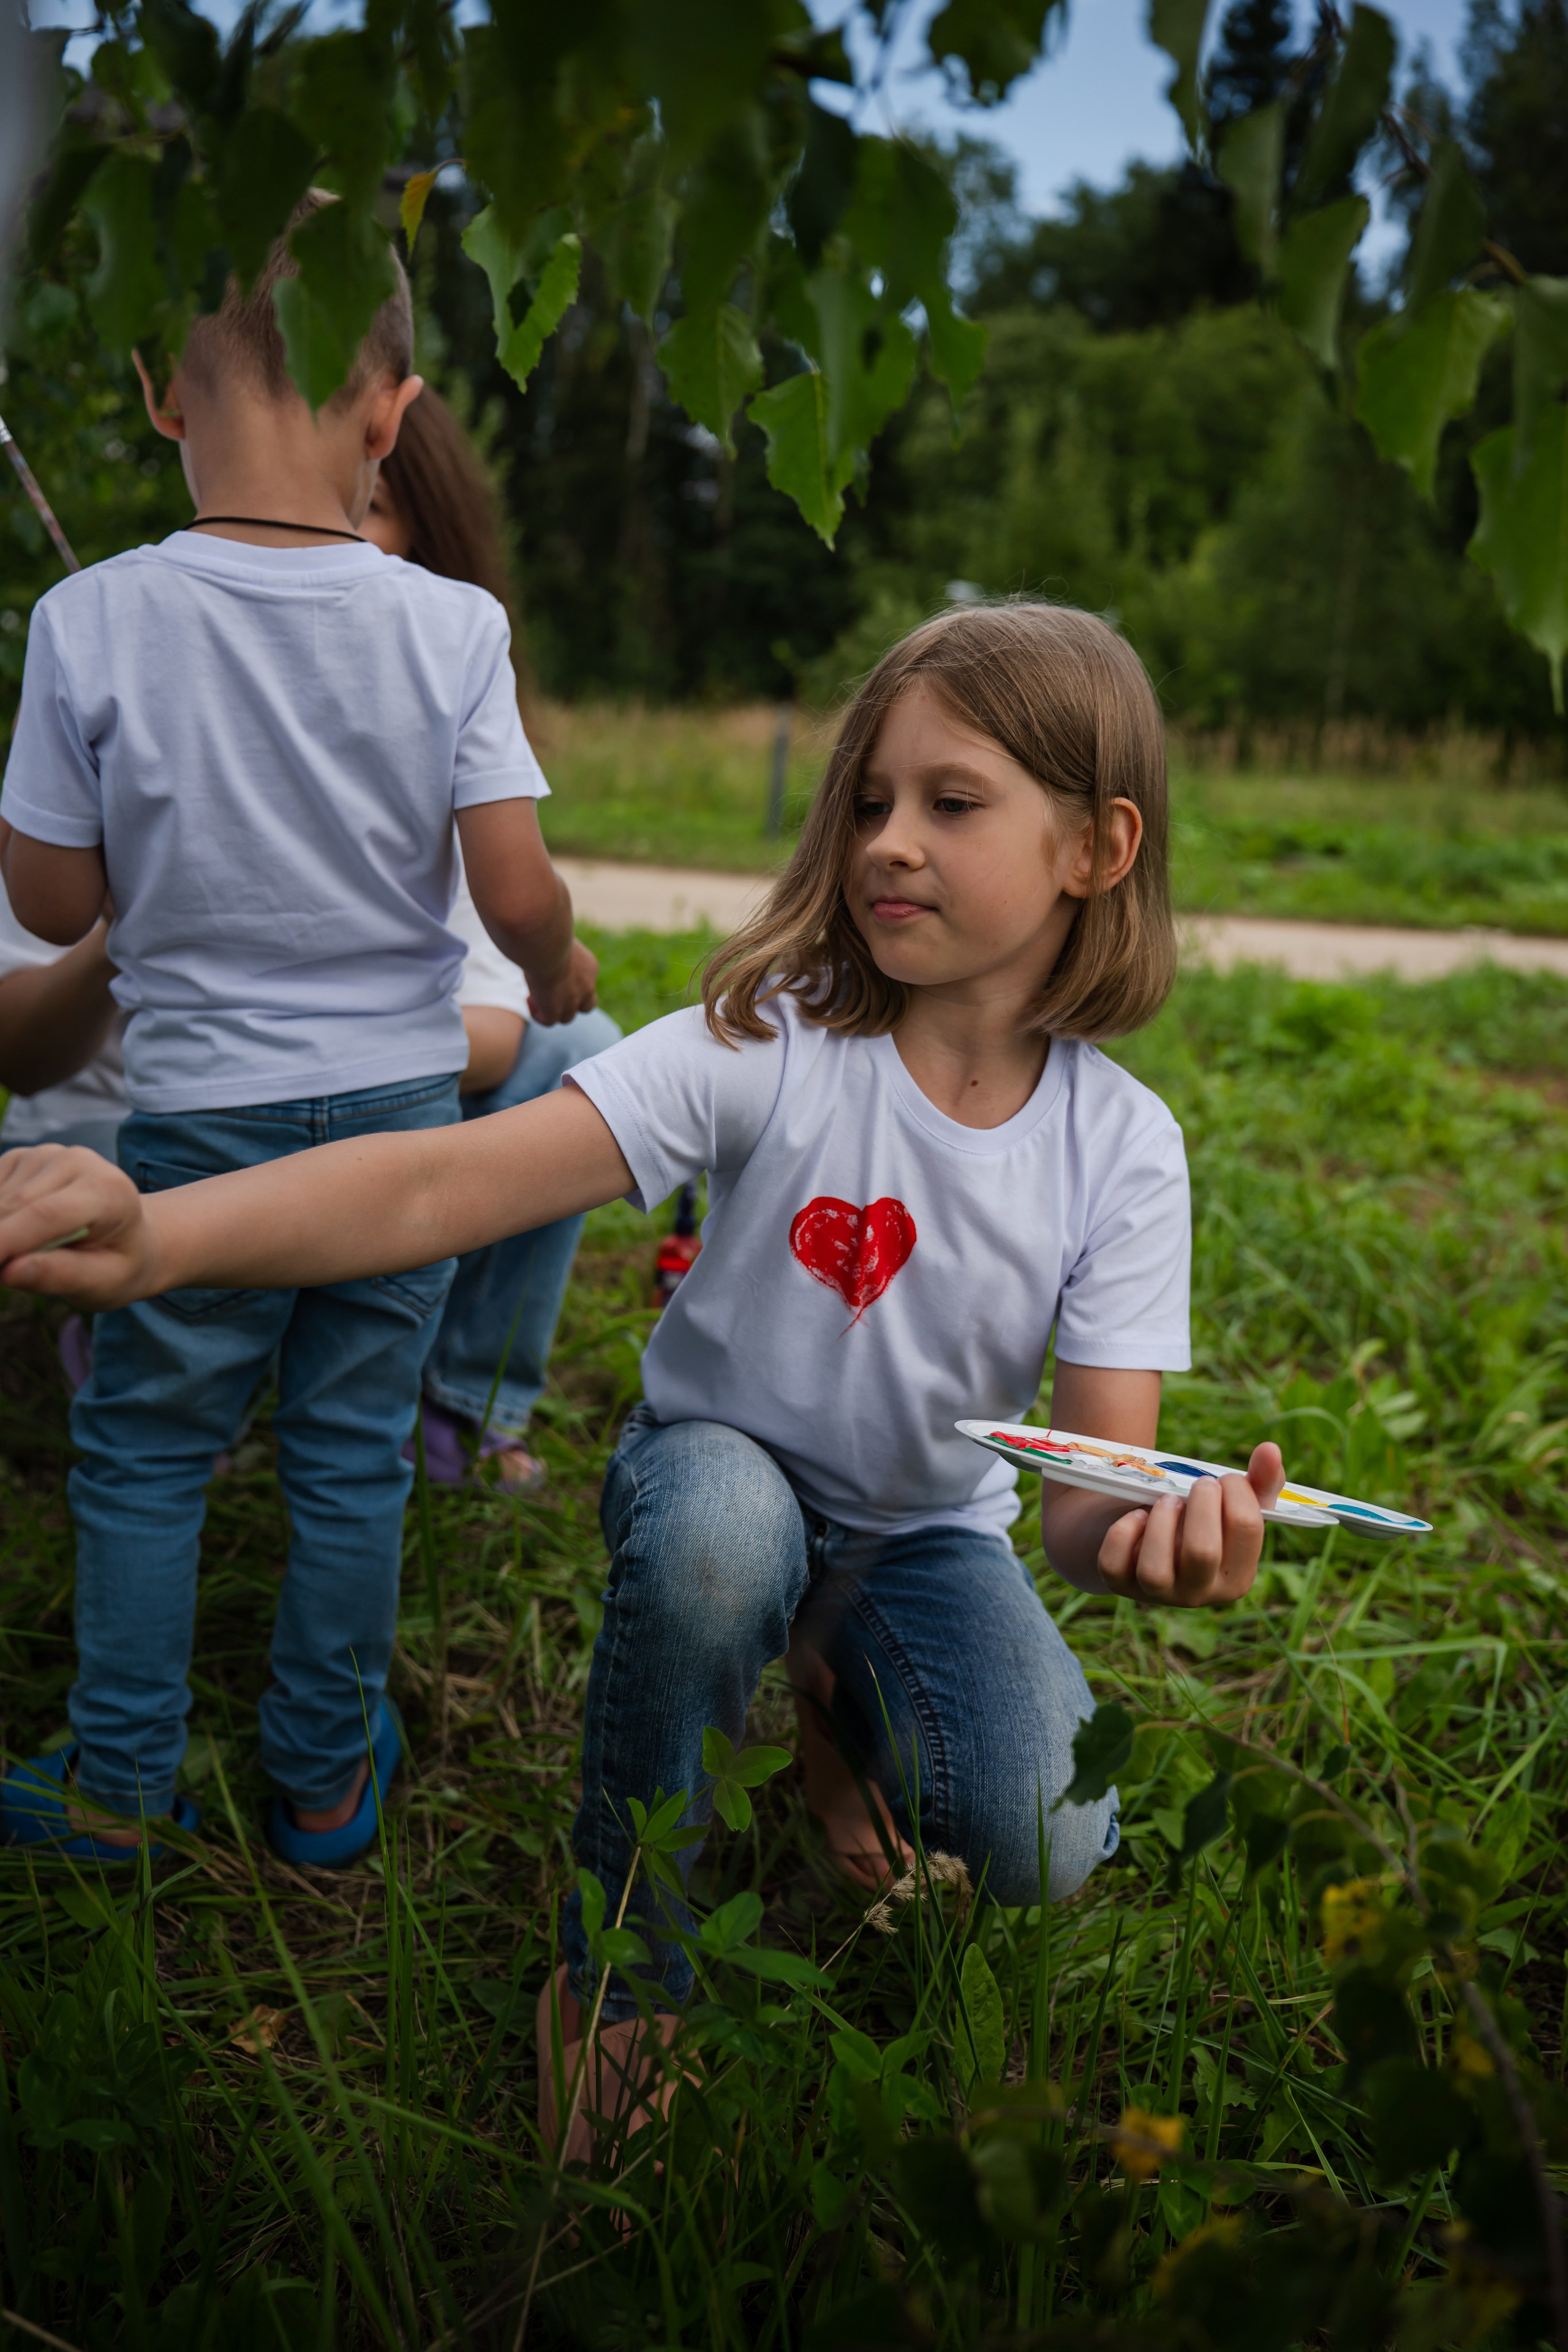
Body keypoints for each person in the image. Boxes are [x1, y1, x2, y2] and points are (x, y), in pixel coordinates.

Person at [0, 603, 1287, 2148]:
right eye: (868, 800)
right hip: (713, 1477)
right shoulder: (770, 1044)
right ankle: (621, 1969)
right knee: (716, 1541)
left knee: (1049, 1831)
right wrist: (156, 1237)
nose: (886, 840)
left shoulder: (1122, 1147)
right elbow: (432, 1189)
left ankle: (826, 1690)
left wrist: (1148, 1551)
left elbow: (1087, 1496)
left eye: (951, 804)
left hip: (924, 1536)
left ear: (1097, 845)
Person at [0, 190, 597, 1869]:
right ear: (393, 411)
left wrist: (124, 832)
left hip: (200, 1136)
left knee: (146, 1449)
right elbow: (512, 878)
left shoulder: (90, 620)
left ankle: (120, 1777)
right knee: (349, 1458)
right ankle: (326, 1775)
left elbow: (50, 908)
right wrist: (553, 969)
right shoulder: (453, 626)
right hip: (401, 1127)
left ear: (156, 395)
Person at [363, 387, 621, 1495]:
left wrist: (538, 982)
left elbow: (505, 955)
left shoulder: (441, 675)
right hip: (210, 1080)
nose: (329, 540)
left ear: (422, 521)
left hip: (375, 1066)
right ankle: (190, 1353)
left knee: (580, 1048)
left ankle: (459, 1396)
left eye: (366, 508)